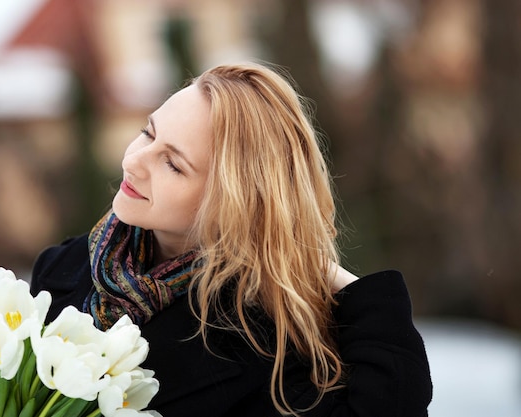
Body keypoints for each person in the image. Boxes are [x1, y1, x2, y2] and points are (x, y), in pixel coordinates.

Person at [30, 62, 432, 416]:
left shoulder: (261, 347)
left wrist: (324, 271)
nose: (133, 161)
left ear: (231, 201)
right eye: (147, 133)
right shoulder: (62, 270)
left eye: (172, 163)